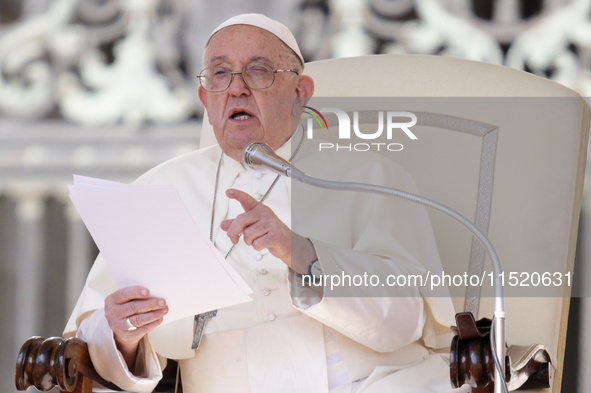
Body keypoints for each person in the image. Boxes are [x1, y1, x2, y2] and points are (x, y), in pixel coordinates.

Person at [64, 13, 465, 393]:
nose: (236, 88)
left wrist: (300, 251)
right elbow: (94, 337)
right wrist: (123, 335)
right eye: (220, 74)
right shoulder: (159, 188)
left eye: (258, 70)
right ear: (206, 98)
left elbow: (406, 319)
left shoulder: (371, 176)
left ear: (300, 92)